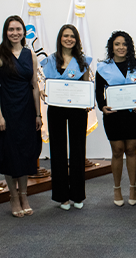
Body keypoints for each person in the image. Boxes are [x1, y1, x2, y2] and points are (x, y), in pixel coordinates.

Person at [0, 15, 42, 218]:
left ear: (24, 31)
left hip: (27, 111)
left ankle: (24, 196)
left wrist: (38, 114)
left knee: (26, 153)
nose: (15, 33)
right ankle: (13, 197)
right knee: (10, 154)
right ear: (6, 32)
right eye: (11, 29)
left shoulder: (31, 54)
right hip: (7, 111)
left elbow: (35, 87)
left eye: (18, 29)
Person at [40, 24, 92, 211]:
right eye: (65, 36)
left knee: (78, 150)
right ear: (60, 38)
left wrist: (87, 101)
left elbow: (86, 84)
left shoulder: (83, 61)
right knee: (58, 150)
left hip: (77, 109)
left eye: (72, 36)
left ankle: (78, 194)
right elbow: (44, 84)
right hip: (56, 109)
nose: (69, 39)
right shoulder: (49, 61)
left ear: (77, 40)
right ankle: (62, 196)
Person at [95, 31, 136, 207]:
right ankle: (117, 188)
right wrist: (102, 106)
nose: (121, 47)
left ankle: (133, 188)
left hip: (133, 115)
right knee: (117, 150)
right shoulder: (103, 67)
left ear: (129, 47)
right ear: (111, 47)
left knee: (131, 150)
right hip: (113, 115)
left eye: (124, 44)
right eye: (117, 44)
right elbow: (98, 91)